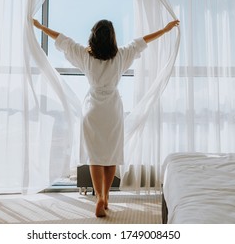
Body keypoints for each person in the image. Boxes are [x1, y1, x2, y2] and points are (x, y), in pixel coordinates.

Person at [32, 18, 179, 217]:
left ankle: (99, 195)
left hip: (92, 110)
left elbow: (62, 40)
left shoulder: (85, 55)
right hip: (112, 110)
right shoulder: (120, 56)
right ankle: (106, 195)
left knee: (95, 157)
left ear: (93, 36)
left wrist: (40, 27)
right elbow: (143, 41)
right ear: (112, 38)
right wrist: (164, 29)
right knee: (111, 156)